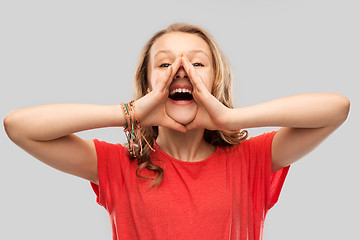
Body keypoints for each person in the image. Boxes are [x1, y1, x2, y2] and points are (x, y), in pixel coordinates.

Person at [3, 23, 350, 240]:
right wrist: (133, 112)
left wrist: (229, 118)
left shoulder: (252, 160)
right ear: (147, 83)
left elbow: (336, 108)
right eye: (165, 64)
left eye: (197, 63)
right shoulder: (118, 164)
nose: (180, 71)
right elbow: (19, 127)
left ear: (216, 81)